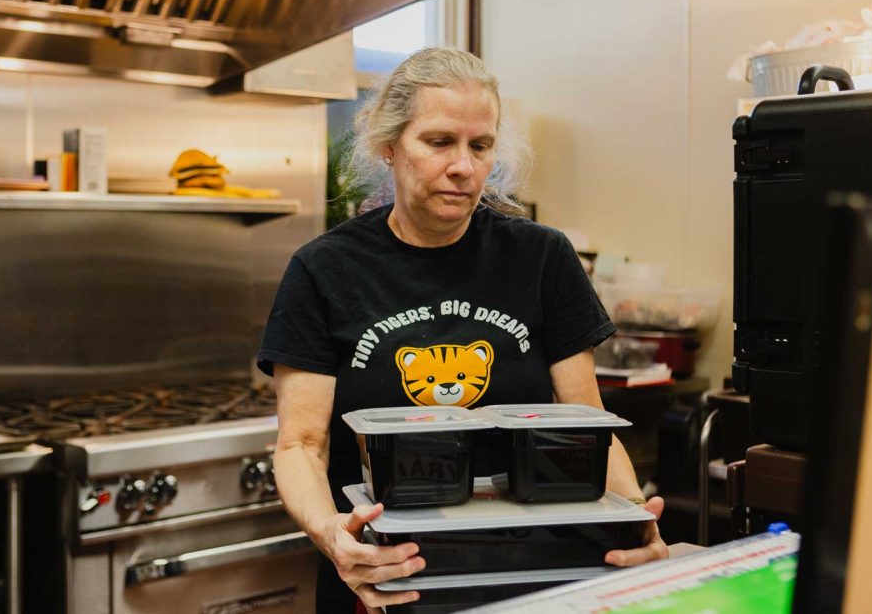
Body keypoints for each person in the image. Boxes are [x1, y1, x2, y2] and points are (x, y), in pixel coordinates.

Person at [257, 47, 668, 614]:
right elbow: (301, 444)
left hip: (532, 575)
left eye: (480, 146)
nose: (464, 167)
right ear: (388, 145)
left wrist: (633, 524)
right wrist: (334, 536)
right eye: (439, 142)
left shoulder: (541, 257)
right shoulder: (325, 269)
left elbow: (587, 427)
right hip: (386, 576)